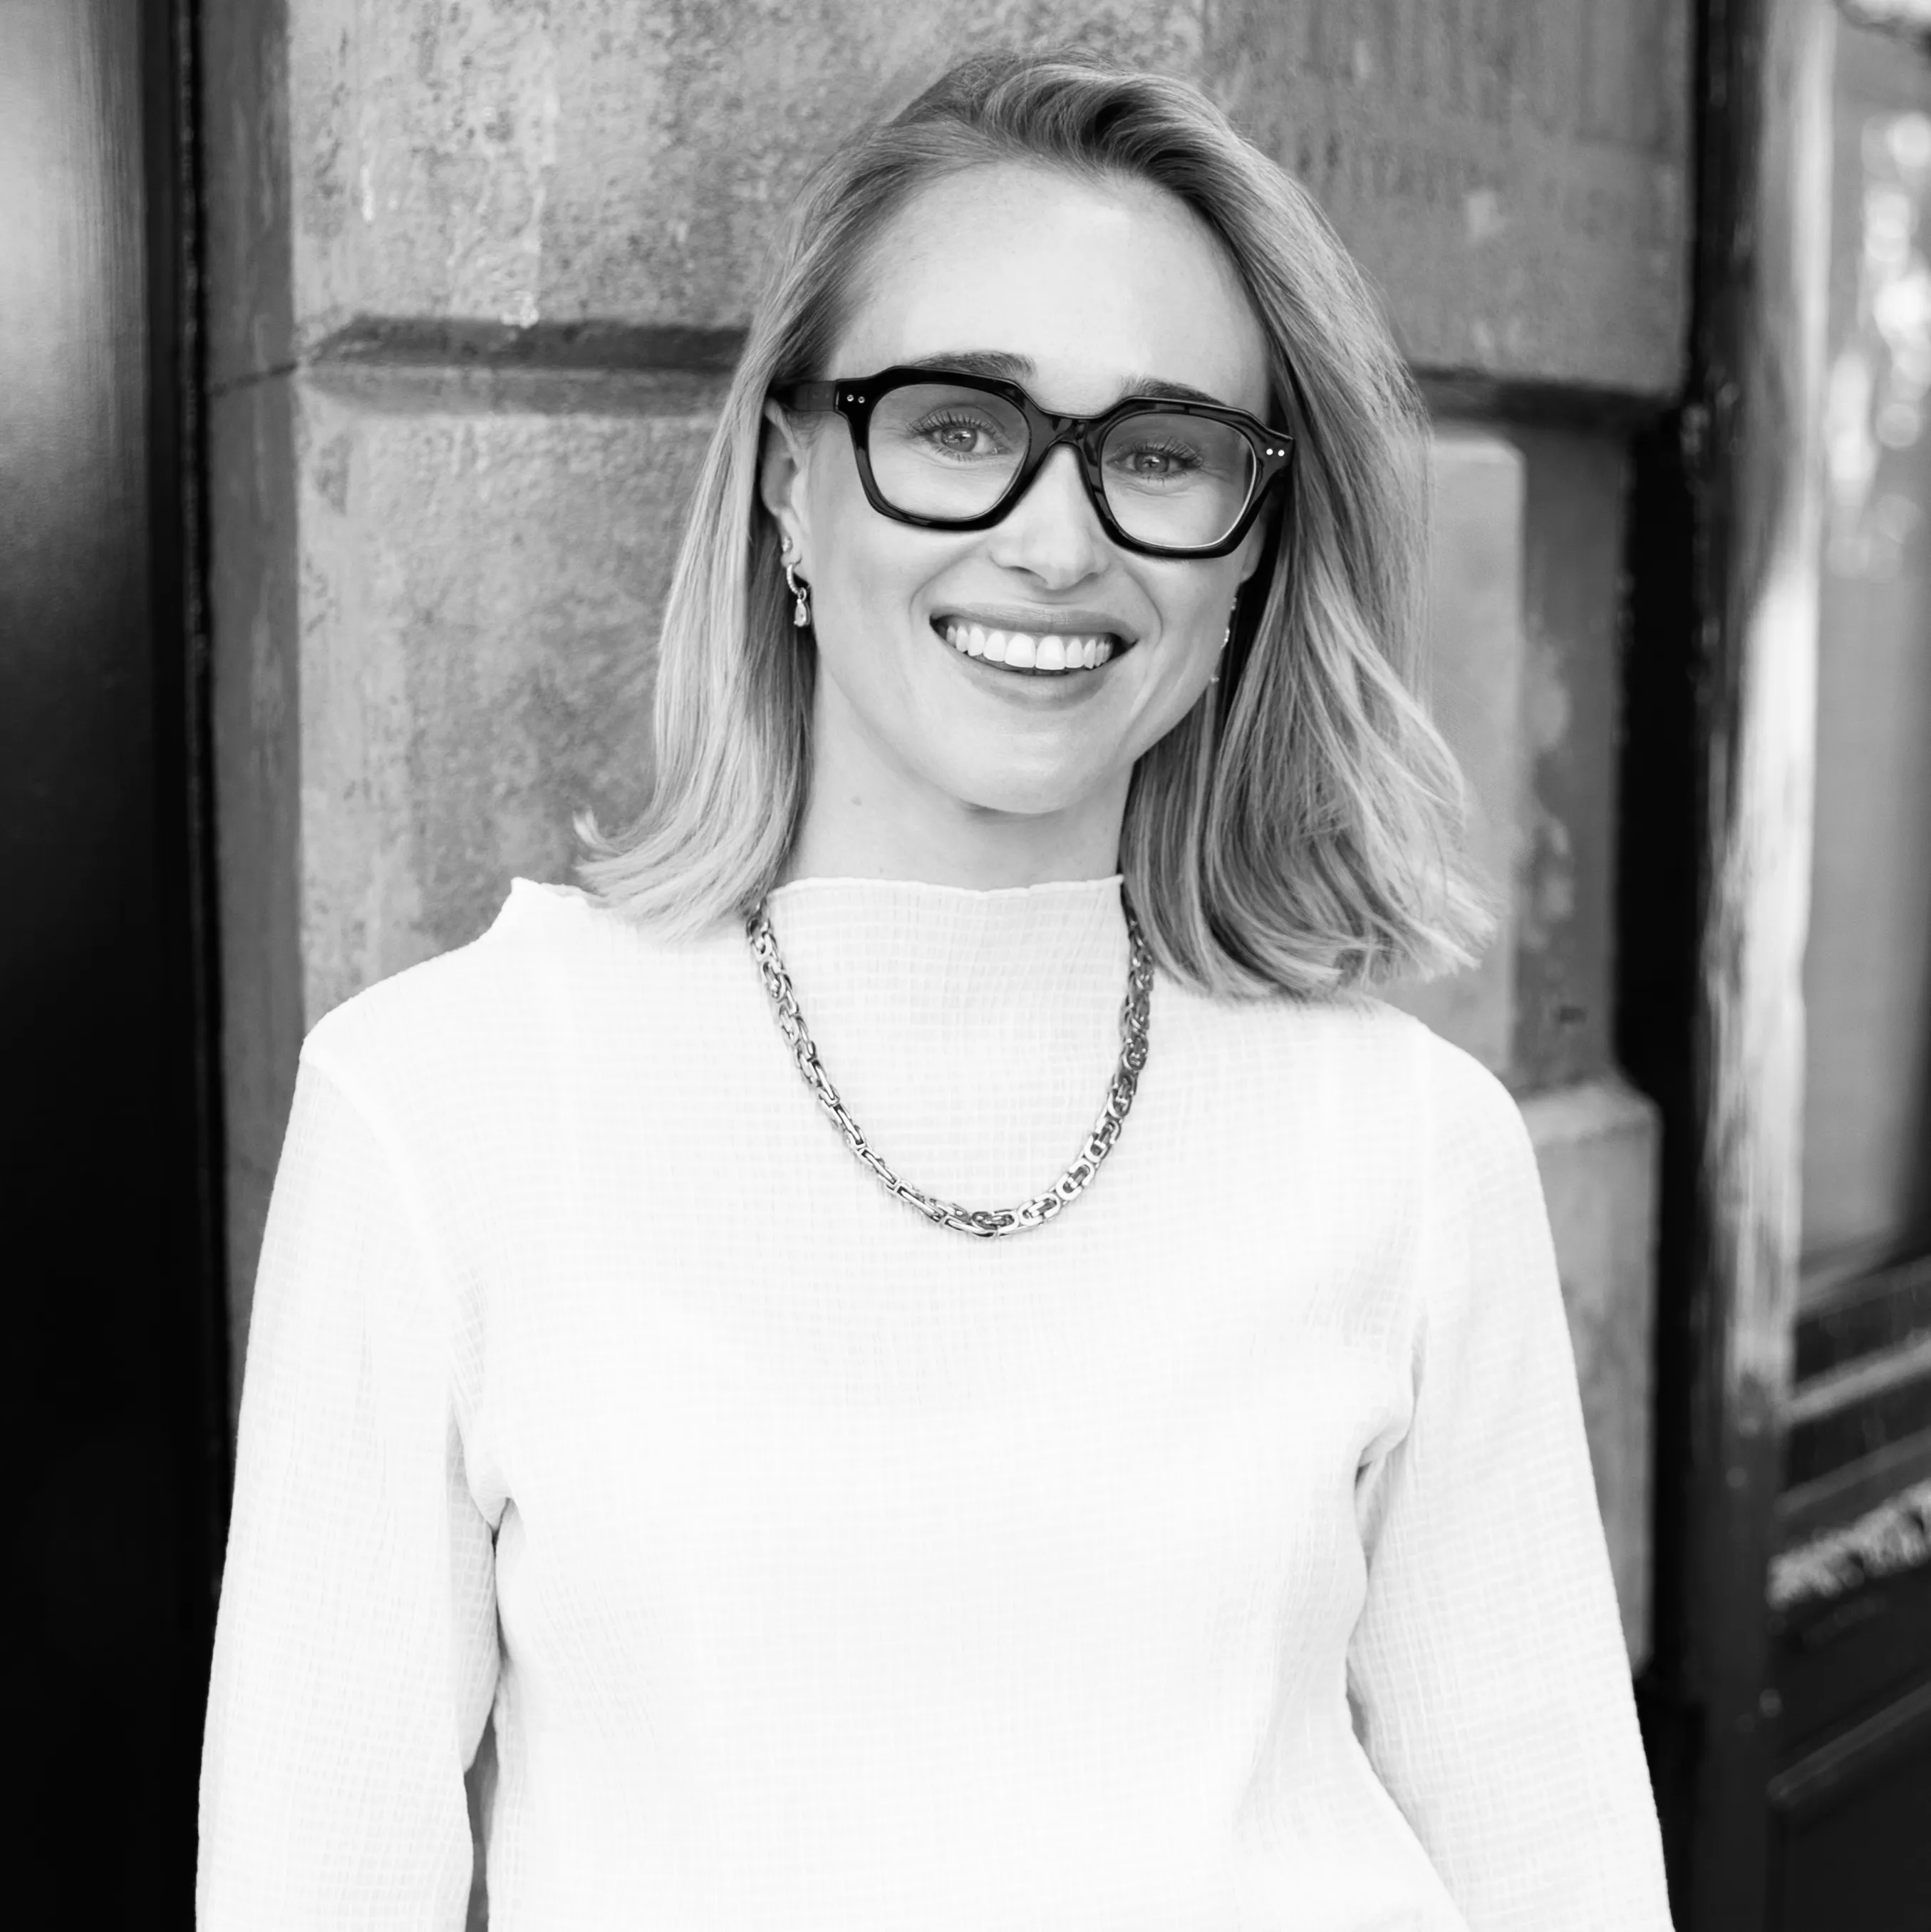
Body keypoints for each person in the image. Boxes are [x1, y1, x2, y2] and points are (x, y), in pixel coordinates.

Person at [197, 45, 1675, 1932]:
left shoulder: (1403, 1143)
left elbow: (1555, 1863)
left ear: (1243, 567)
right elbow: (309, 1883)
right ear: (789, 490)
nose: (1056, 541)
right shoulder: (446, 1105)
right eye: (961, 425)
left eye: (1159, 454)